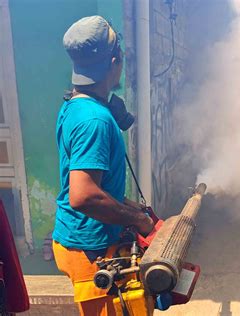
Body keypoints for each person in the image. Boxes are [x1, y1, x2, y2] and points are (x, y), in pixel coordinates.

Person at [52, 16, 154, 316]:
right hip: (92, 250)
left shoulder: (74, 103)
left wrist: (131, 208)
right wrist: (139, 221)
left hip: (85, 240)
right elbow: (83, 196)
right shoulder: (94, 120)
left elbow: (96, 186)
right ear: (114, 61)